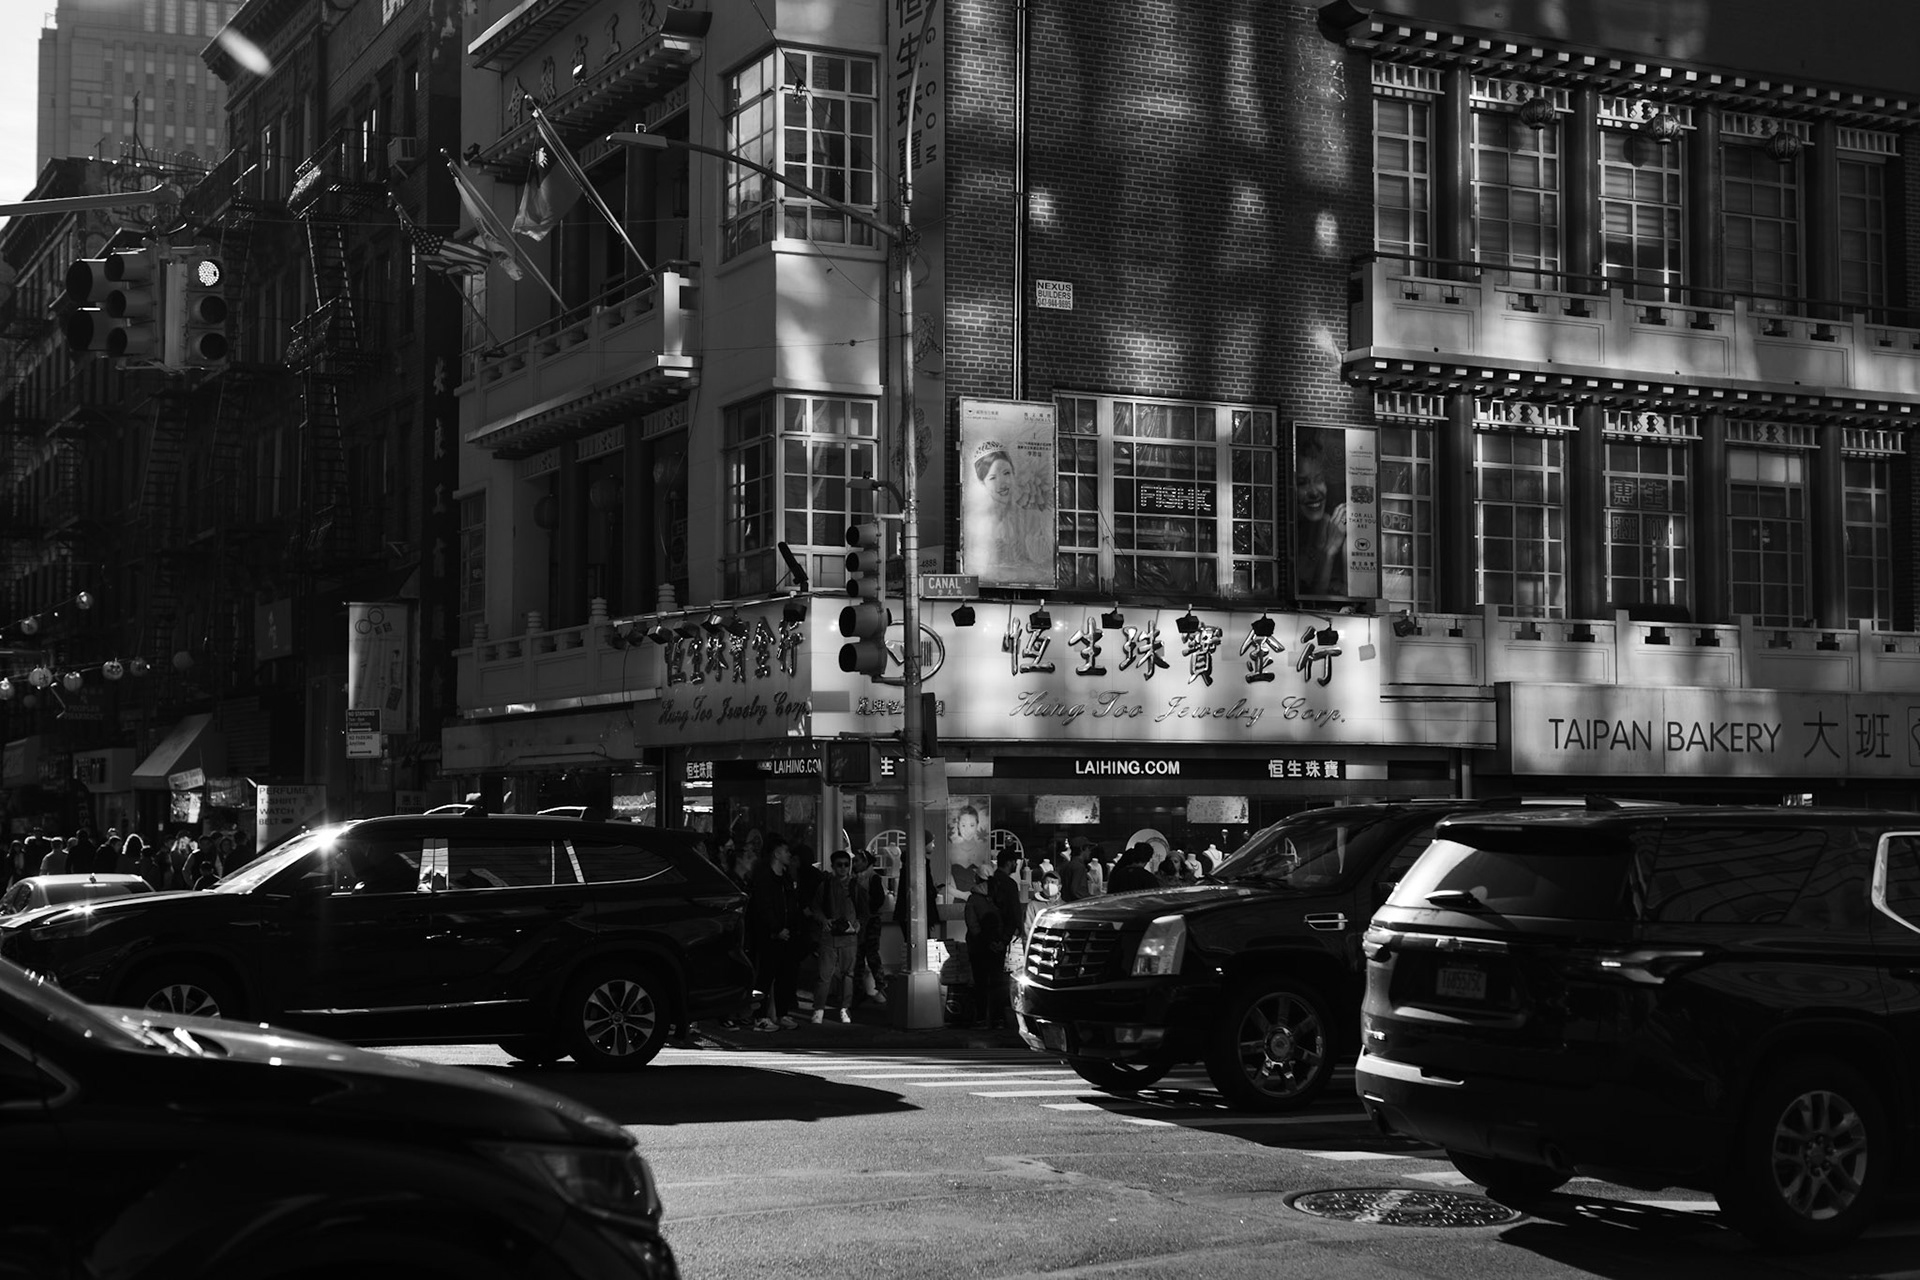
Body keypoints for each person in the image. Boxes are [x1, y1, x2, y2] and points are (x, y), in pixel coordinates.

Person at [962, 440, 1051, 582]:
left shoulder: (1031, 519)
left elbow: (1045, 572)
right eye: (993, 478)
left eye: (1006, 473)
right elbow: (973, 571)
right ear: (982, 483)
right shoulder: (974, 524)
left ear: (1014, 473)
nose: (1002, 483)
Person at [747, 838, 803, 1031]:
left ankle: (782, 1013)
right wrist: (776, 929)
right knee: (765, 975)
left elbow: (791, 904)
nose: (789, 854)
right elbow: (764, 907)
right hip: (770, 935)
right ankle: (760, 1016)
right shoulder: (766, 878)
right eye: (785, 851)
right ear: (776, 854)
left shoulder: (785, 877)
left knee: (785, 975)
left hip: (787, 933)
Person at [808, 849, 869, 1024]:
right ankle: (821, 1009)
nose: (843, 868)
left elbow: (864, 911)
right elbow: (816, 907)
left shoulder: (855, 887)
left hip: (847, 936)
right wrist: (823, 920)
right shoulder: (827, 886)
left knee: (845, 974)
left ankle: (841, 1008)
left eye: (846, 865)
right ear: (833, 867)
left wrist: (858, 924)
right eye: (840, 865)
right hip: (832, 936)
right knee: (826, 974)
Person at [1294, 436, 1348, 597]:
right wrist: (1328, 553)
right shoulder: (1293, 536)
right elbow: (1312, 599)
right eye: (1302, 483)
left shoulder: (1336, 527)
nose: (1314, 492)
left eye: (1319, 480)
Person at [963, 866, 1009, 1030]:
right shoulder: (999, 896)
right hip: (998, 946)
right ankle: (998, 1019)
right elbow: (1007, 920)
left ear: (977, 879)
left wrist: (986, 942)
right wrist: (1002, 941)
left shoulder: (973, 899)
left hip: (979, 948)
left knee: (981, 983)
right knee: (997, 983)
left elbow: (972, 925)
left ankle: (982, 1018)